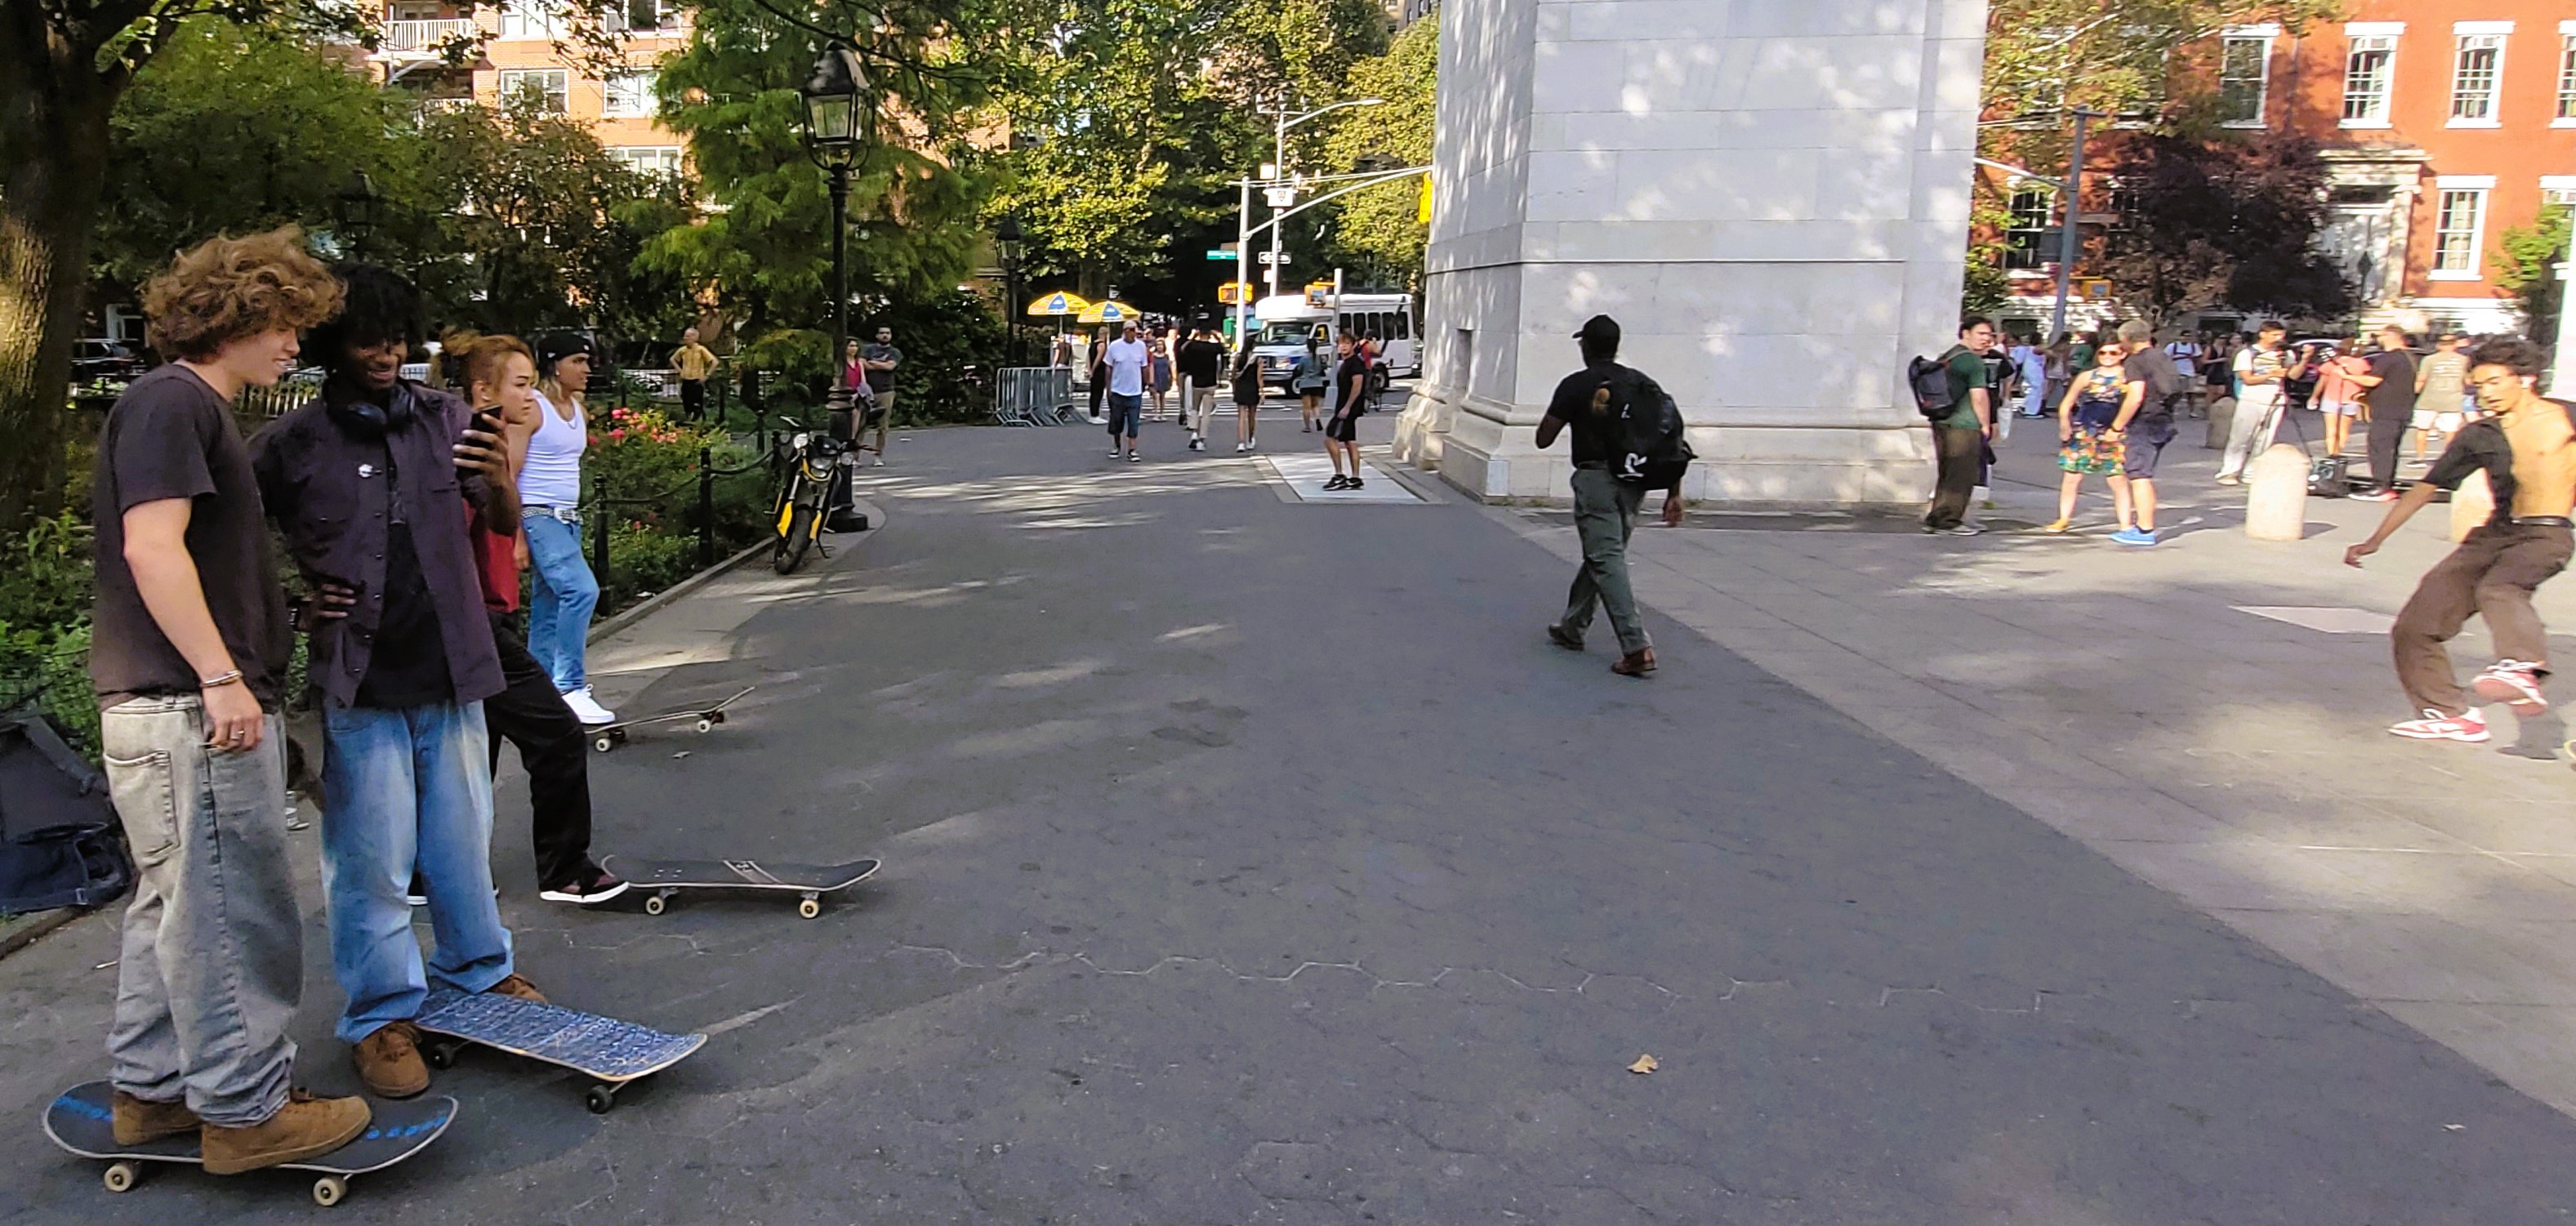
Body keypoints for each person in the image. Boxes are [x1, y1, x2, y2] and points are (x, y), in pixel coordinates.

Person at [87, 228, 372, 1173]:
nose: (294, 344)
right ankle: (246, 1111)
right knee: (228, 912)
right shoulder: (176, 403)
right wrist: (221, 676)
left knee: (174, 906)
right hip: (187, 707)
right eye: (281, 324)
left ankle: (154, 1090)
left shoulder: (175, 406)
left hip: (168, 707)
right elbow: (152, 548)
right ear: (232, 317)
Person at [251, 263, 546, 1100]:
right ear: (332, 344)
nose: (384, 353)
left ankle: (479, 971)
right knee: (372, 861)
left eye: (395, 338)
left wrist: (500, 481)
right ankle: (381, 1014)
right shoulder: (290, 445)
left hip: (451, 665)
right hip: (360, 678)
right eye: (365, 339)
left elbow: (499, 522)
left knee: (460, 842)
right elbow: (225, 539)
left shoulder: (448, 418)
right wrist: (292, 600)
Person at [443, 332, 627, 907]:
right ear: (483, 391)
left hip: (490, 615)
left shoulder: (483, 443)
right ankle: (564, 869)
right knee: (558, 735)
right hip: (475, 625)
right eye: (521, 386)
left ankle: (439, 872)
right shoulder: (470, 450)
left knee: (478, 751)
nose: (531, 397)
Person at [2345, 339, 2576, 743]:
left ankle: (2522, 665)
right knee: (2415, 627)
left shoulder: (2567, 416)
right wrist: (2375, 539)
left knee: (2500, 588)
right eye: (2479, 385)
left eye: (2494, 382)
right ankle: (2450, 714)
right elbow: (2426, 487)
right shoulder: (2479, 434)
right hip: (2493, 535)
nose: (2486, 392)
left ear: (2525, 379)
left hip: (2545, 534)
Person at [1535, 314, 1684, 678]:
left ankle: (1636, 647)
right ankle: (1573, 626)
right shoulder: (1642, 383)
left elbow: (1543, 438)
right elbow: (1671, 435)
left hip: (1596, 479)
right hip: (1634, 481)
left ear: (1585, 346)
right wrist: (1674, 493)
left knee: (1606, 557)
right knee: (1605, 553)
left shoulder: (1576, 384)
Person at [523, 333, 613, 727]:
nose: (587, 369)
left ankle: (537, 691)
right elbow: (509, 468)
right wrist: (513, 534)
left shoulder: (577, 408)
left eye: (587, 361)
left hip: (567, 518)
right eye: (578, 361)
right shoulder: (531, 407)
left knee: (549, 606)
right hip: (537, 516)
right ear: (554, 365)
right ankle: (569, 687)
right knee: (581, 591)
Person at [2044, 339, 2133, 534]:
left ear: (2123, 354)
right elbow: (2067, 403)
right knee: (2071, 476)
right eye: (2103, 353)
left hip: (2113, 432)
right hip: (2084, 430)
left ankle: (2126, 524)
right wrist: (2064, 424)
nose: (2107, 357)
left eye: (2113, 353)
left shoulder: (2128, 377)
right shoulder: (2088, 376)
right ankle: (2063, 518)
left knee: (2117, 478)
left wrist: (2120, 429)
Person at [2110, 319, 2183, 546]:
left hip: (2143, 421)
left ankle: (2145, 529)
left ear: (2127, 339)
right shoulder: (2162, 356)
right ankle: (2144, 527)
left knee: (2139, 475)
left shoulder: (2135, 361)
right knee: (2143, 472)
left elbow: (2135, 396)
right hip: (2163, 419)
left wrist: (2116, 426)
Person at [1923, 318, 1996, 535]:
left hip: (1942, 421)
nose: (1986, 339)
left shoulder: (1949, 356)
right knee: (1962, 474)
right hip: (1964, 424)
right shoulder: (1973, 362)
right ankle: (1949, 521)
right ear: (1966, 333)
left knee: (1947, 472)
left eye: (1989, 335)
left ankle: (1937, 517)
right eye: (1981, 334)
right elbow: (1979, 396)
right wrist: (1985, 425)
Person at [2218, 321, 2304, 484]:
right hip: (2252, 399)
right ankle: (2229, 471)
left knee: (2265, 439)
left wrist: (2304, 359)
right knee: (2241, 437)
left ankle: (2251, 472)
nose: (2279, 338)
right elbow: (2247, 379)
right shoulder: (2248, 354)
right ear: (2263, 334)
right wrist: (2271, 374)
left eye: (2281, 335)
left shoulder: (2286, 354)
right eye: (2275, 335)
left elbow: (2293, 375)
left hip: (2276, 400)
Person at [2349, 322, 2421, 502]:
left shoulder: (2388, 358)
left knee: (2379, 448)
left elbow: (2372, 381)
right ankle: (2387, 484)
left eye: (2380, 336)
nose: (2379, 340)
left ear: (2390, 336)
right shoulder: (2411, 358)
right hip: (2402, 409)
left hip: (2387, 410)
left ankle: (2381, 486)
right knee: (2390, 449)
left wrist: (2347, 376)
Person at [1321, 332, 1370, 490]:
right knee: (1350, 441)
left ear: (1353, 345)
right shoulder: (1347, 362)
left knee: (1330, 437)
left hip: (1348, 409)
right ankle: (1355, 477)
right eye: (1341, 344)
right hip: (1346, 407)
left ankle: (1339, 475)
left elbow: (1357, 385)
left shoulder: (1355, 363)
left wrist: (1347, 406)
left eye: (1347, 343)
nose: (1343, 346)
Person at [2414, 332, 2471, 461]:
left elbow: (2421, 379)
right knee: (2451, 432)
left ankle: (2420, 458)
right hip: (2453, 401)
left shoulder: (2428, 360)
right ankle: (2448, 459)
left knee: (2422, 430)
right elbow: (2468, 381)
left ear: (2438, 345)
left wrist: (2413, 394)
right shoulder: (2464, 360)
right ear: (2455, 345)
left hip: (2428, 400)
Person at [2311, 338, 2367, 461]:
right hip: (2352, 398)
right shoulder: (2362, 363)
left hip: (2330, 397)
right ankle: (2338, 451)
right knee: (2344, 429)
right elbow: (2365, 381)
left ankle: (2332, 453)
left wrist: (2314, 396)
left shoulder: (2331, 363)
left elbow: (2322, 382)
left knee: (2331, 429)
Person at [1102, 321, 1150, 462]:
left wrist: (1148, 383)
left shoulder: (1141, 346)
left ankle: (1132, 449)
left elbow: (1144, 366)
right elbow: (1108, 367)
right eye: (1131, 330)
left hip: (1135, 390)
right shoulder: (1115, 346)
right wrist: (1108, 386)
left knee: (1134, 421)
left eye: (1136, 330)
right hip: (1118, 389)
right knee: (1116, 420)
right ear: (1125, 331)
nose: (1134, 333)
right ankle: (1116, 446)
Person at [1174, 323, 1226, 452]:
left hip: (1196, 382)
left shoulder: (1193, 346)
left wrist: (1193, 337)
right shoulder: (1213, 347)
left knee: (1195, 409)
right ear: (1209, 334)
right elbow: (1223, 348)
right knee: (1206, 413)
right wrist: (1217, 336)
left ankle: (1194, 432)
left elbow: (1183, 349)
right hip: (1211, 383)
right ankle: (1202, 440)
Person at [860, 326, 902, 465]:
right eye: (882, 333)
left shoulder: (894, 352)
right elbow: (863, 364)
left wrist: (873, 363)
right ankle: (854, 456)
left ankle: (878, 455)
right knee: (860, 424)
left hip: (886, 391)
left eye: (887, 333)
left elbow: (890, 367)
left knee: (882, 426)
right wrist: (881, 365)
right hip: (866, 391)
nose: (885, 335)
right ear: (877, 335)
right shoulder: (868, 349)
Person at [669, 326, 717, 422]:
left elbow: (714, 362)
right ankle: (688, 422)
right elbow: (672, 359)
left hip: (697, 381)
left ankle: (698, 423)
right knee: (687, 403)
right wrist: (680, 371)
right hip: (686, 380)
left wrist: (707, 376)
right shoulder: (683, 350)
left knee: (697, 405)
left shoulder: (701, 349)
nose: (686, 338)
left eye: (688, 336)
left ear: (695, 338)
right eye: (685, 336)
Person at [1292, 333, 1330, 432]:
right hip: (1317, 383)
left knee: (1306, 407)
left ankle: (1307, 427)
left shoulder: (1304, 359)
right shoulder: (1320, 358)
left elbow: (1299, 369)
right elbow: (1324, 368)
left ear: (1307, 347)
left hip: (1305, 383)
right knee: (1316, 405)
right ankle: (1317, 418)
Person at [1230, 344, 1263, 453]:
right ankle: (1250, 439)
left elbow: (1233, 374)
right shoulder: (1258, 359)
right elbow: (1259, 377)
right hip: (1253, 388)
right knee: (1252, 416)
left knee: (1241, 417)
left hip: (1241, 388)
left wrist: (1234, 388)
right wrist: (1262, 391)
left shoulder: (1238, 358)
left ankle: (1241, 442)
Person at [2012, 333, 2048, 419]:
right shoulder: (2036, 348)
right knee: (2036, 389)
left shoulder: (2028, 348)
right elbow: (2049, 352)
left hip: (2029, 368)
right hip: (2034, 370)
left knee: (2033, 389)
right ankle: (2031, 411)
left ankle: (2025, 406)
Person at [1146, 325, 1174, 421]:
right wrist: (1150, 380)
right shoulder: (1153, 356)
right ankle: (1156, 413)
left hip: (1164, 376)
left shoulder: (1166, 356)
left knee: (1162, 396)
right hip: (1155, 376)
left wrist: (1171, 377)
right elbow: (1150, 367)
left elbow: (1169, 367)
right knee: (1156, 396)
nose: (1159, 347)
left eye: (1161, 345)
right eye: (1158, 345)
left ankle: (1162, 413)